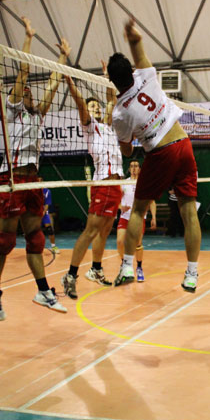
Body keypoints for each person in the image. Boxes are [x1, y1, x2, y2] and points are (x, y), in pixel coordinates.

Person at [107, 18, 201, 293]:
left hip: (160, 153)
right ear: (130, 71)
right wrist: (131, 33)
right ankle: (192, 273)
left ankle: (126, 265)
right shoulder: (146, 76)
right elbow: (137, 44)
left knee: (138, 209)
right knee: (189, 213)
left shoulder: (120, 113)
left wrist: (135, 134)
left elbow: (126, 150)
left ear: (112, 80)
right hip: (183, 143)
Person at [0, 18, 69, 320]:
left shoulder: (37, 115)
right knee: (7, 240)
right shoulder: (12, 110)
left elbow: (54, 84)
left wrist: (62, 59)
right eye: (25, 91)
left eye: (31, 92)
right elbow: (22, 70)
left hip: (32, 179)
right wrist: (29, 38)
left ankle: (43, 291)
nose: (30, 93)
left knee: (36, 239)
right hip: (11, 177)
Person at [60, 63, 124, 300]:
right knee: (90, 230)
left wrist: (108, 76)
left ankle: (96, 269)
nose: (96, 107)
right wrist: (70, 83)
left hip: (116, 185)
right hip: (103, 183)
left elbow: (111, 99)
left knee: (105, 230)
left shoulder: (108, 126)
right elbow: (79, 103)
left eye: (96, 105)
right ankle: (70, 274)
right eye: (92, 105)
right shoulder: (90, 126)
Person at [116, 159, 157, 282]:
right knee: (119, 241)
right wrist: (120, 207)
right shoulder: (124, 183)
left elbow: (152, 202)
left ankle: (139, 268)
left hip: (139, 217)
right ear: (129, 168)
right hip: (125, 216)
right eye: (132, 166)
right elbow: (116, 200)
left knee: (138, 244)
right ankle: (125, 264)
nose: (134, 168)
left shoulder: (144, 183)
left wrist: (153, 217)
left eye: (136, 166)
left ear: (139, 169)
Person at [40, 180, 59, 254]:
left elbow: (47, 205)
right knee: (34, 231)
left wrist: (43, 212)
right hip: (35, 213)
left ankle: (53, 246)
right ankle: (34, 247)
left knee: (50, 229)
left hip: (44, 213)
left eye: (40, 181)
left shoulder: (47, 191)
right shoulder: (32, 191)